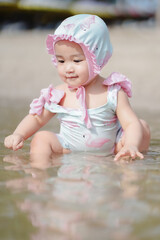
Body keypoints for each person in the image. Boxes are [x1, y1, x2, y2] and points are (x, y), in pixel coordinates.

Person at [4, 14, 150, 161]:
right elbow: (37, 119)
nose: (68, 68)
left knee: (141, 127)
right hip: (68, 147)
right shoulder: (60, 93)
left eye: (76, 60)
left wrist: (130, 144)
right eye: (61, 61)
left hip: (111, 149)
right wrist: (19, 134)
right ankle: (38, 175)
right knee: (41, 138)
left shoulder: (112, 92)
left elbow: (130, 123)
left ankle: (128, 163)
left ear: (97, 57)